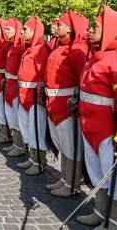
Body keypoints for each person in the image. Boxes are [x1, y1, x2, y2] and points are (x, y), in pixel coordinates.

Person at [76, 5, 117, 228]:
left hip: (108, 129)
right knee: (98, 174)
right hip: (90, 125)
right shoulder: (96, 56)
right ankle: (100, 211)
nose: (91, 29)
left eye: (96, 26)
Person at [43, 10, 89, 197]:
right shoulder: (59, 48)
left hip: (66, 105)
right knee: (63, 146)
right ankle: (64, 179)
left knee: (71, 147)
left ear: (69, 29)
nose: (56, 27)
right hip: (53, 102)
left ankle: (72, 184)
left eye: (60, 24)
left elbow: (83, 79)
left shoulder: (77, 50)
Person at [16, 16, 51, 175]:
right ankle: (32, 158)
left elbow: (43, 74)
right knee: (27, 128)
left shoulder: (41, 50)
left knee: (36, 130)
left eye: (25, 29)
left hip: (34, 96)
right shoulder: (29, 47)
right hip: (24, 93)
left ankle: (39, 162)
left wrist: (40, 94)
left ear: (35, 32)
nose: (22, 32)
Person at [2, 17, 27, 157]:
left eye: (8, 29)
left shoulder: (21, 47)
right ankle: (15, 143)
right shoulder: (10, 45)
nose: (5, 31)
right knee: (11, 116)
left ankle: (21, 145)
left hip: (16, 85)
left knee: (18, 119)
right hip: (9, 82)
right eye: (5, 29)